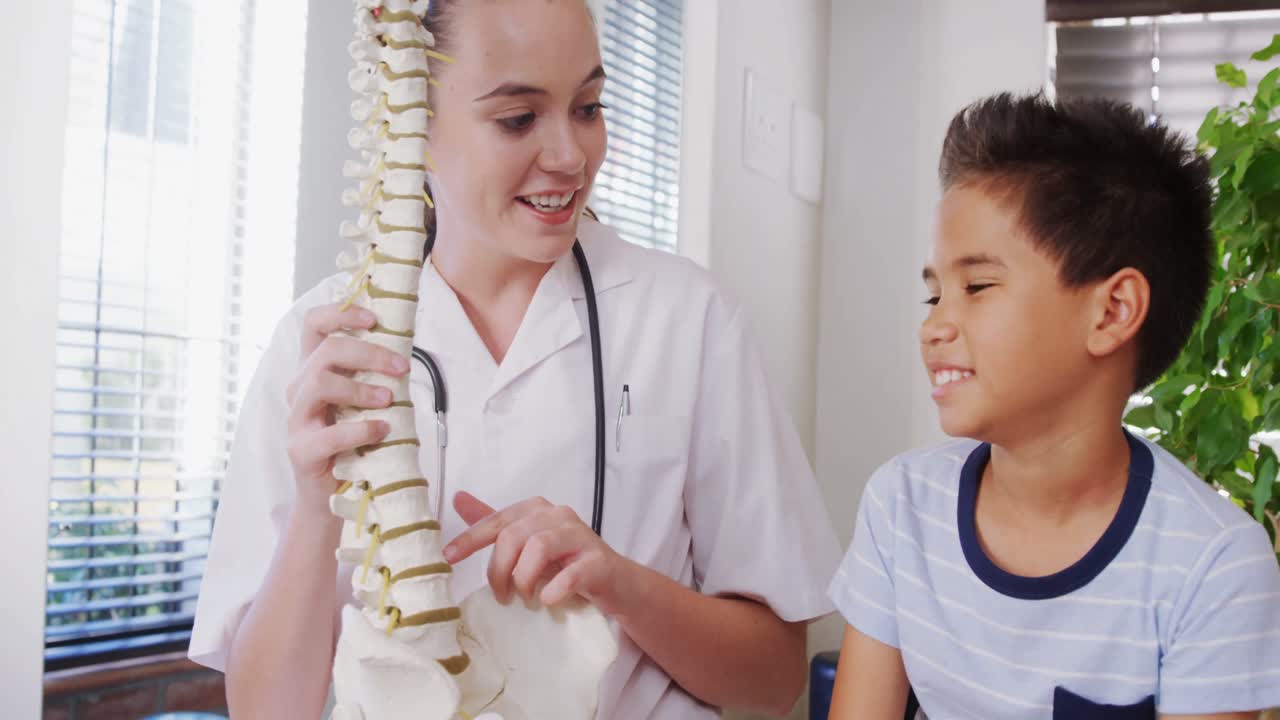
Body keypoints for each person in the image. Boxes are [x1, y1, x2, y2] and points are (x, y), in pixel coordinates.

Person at [188, 1, 841, 718]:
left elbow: (776, 679)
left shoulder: (688, 320)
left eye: (588, 106)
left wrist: (620, 584)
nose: (569, 154)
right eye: (518, 119)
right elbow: (262, 710)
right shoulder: (321, 350)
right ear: (414, 122)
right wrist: (317, 511)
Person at [827, 93, 1280, 719]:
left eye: (977, 287)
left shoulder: (1213, 564)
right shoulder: (902, 506)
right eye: (934, 297)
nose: (934, 327)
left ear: (1113, 311)